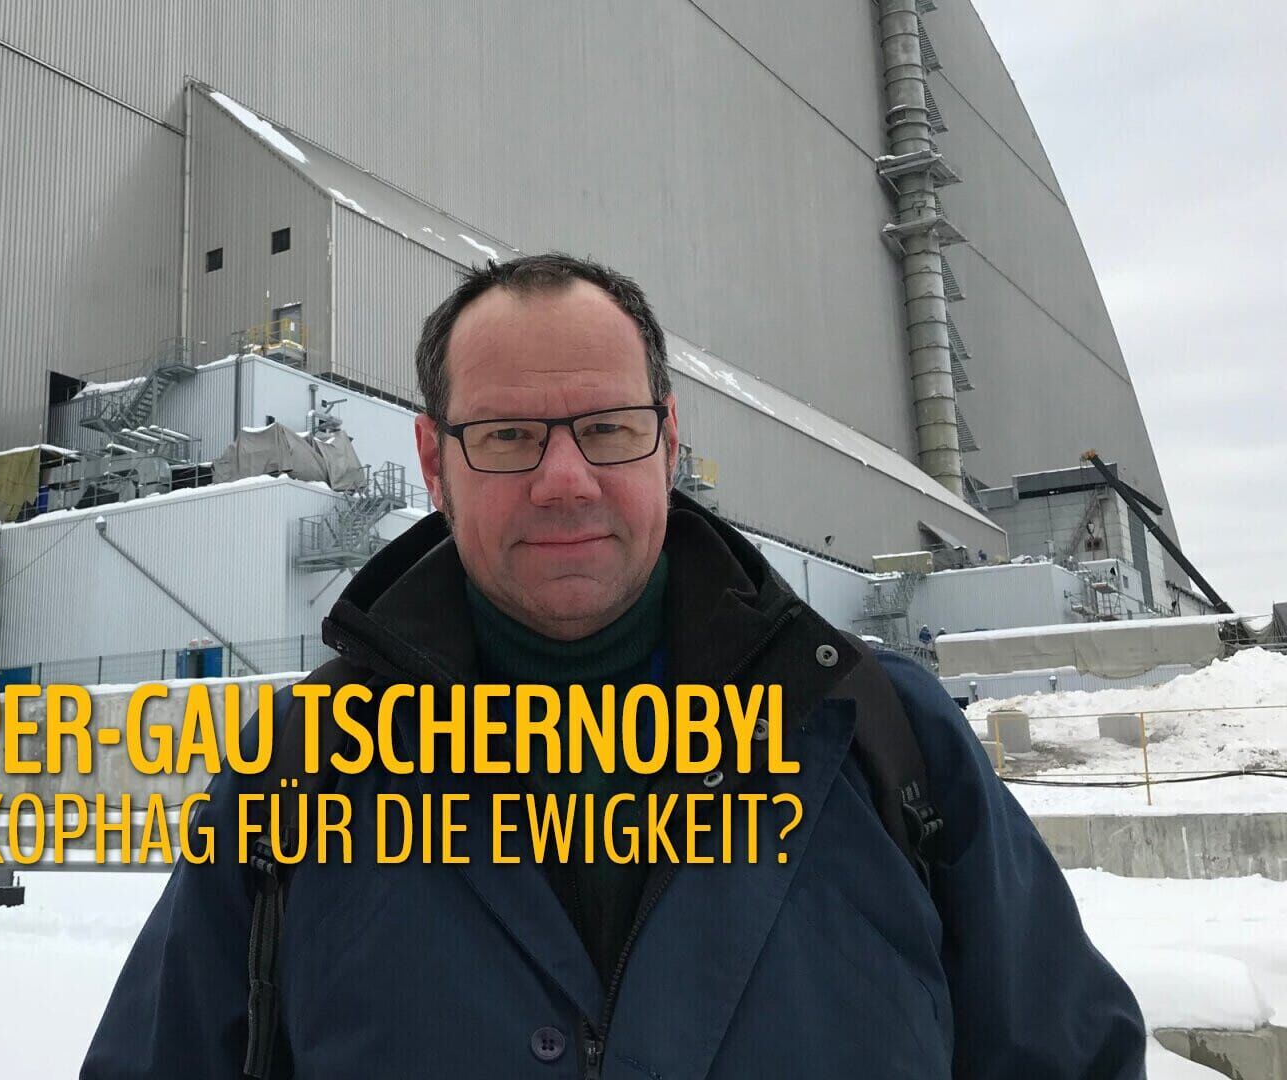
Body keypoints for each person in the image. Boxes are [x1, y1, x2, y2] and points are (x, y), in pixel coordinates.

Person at [82, 254, 1144, 1078]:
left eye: (607, 427)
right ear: (434, 464)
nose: (565, 480)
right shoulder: (299, 772)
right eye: (508, 435)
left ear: (668, 442)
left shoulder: (877, 736)